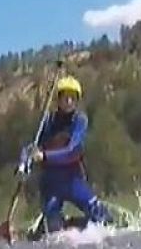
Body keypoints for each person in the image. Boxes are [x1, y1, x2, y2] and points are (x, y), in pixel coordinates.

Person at [21, 75, 113, 235]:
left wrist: (45, 156)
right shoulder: (47, 121)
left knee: (103, 218)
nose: (69, 101)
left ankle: (76, 224)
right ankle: (50, 226)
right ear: (59, 99)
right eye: (65, 97)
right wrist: (24, 163)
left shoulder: (80, 120)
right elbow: (30, 147)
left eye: (73, 98)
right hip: (50, 184)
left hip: (73, 180)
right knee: (54, 231)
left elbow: (72, 151)